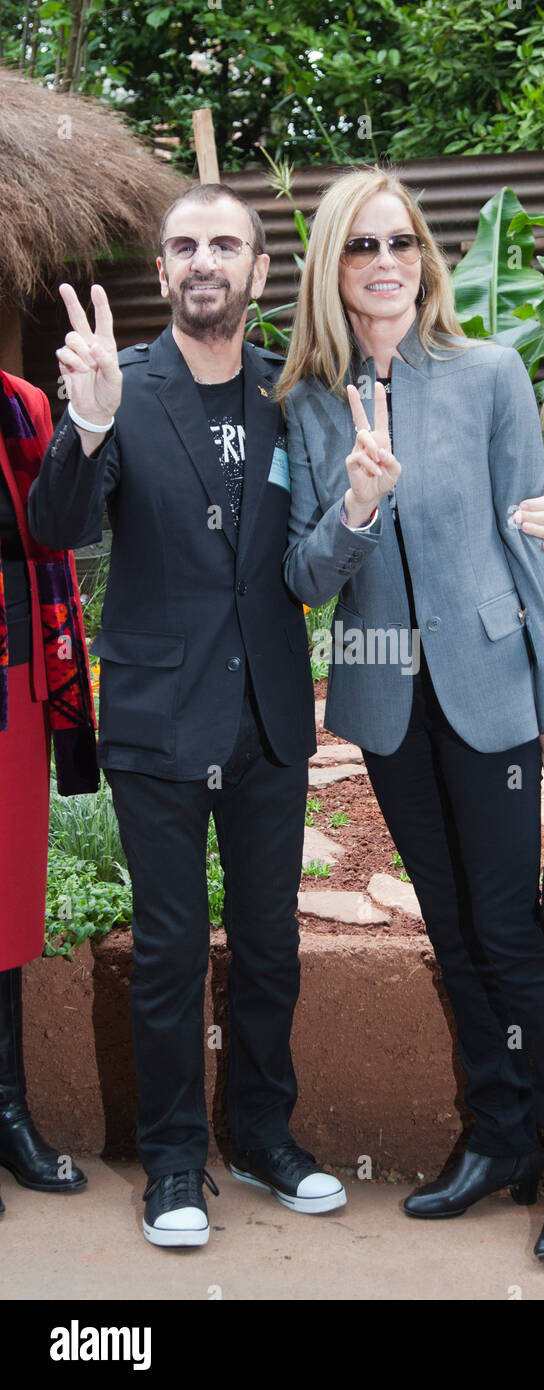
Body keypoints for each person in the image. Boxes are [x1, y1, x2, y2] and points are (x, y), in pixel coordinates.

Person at [28, 181, 544, 1249]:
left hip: (269, 716)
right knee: (174, 951)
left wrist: (525, 519)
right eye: (186, 247)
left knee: (272, 947)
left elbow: (356, 532)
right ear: (165, 271)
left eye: (227, 244)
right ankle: (176, 1163)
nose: (206, 261)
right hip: (158, 720)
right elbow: (56, 526)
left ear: (262, 272)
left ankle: (265, 1135)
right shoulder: (121, 388)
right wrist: (84, 426)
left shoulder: (294, 395)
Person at [278, 165, 544, 1264]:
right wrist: (358, 504)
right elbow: (304, 577)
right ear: (331, 266)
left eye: (402, 242)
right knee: (455, 936)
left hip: (490, 693)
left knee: (511, 937)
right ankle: (502, 1138)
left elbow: (531, 548)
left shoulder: (488, 374)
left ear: (422, 255)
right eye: (362, 246)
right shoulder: (308, 404)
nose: (386, 262)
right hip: (389, 705)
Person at [0, 367, 94, 1215]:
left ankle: (8, 1112)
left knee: (1, 916)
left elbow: (55, 539)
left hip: (14, 687)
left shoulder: (22, 407)